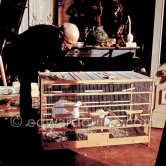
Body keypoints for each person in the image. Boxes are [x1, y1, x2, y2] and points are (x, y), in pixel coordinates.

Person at [2, 22, 80, 126]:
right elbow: (32, 58)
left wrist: (48, 70)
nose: (70, 47)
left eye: (72, 44)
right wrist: (43, 72)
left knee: (49, 82)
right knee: (26, 84)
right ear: (60, 35)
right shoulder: (43, 35)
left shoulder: (65, 42)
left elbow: (55, 59)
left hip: (37, 55)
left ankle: (46, 113)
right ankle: (26, 119)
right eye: (68, 43)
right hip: (21, 52)